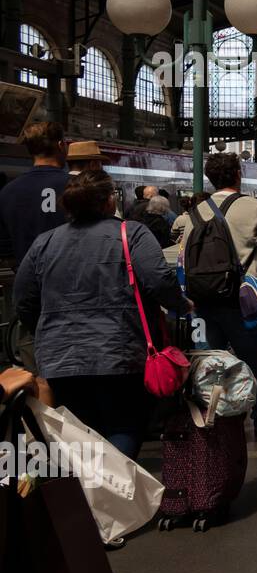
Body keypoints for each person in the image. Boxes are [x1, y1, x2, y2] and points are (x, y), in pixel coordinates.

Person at [15, 170, 187, 465]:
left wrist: (47, 330)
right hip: (119, 352)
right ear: (109, 201)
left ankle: (88, 497)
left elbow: (24, 299)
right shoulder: (131, 233)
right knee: (124, 426)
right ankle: (110, 498)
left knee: (80, 431)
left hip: (60, 358)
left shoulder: (44, 242)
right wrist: (181, 304)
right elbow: (158, 281)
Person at [175, 152, 257, 440]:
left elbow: (184, 258)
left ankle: (211, 418)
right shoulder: (253, 207)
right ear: (238, 174)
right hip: (242, 301)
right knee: (253, 361)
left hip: (204, 300)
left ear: (211, 179)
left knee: (210, 362)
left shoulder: (196, 212)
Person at [0, 121, 70, 267]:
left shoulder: (7, 192)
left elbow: (5, 247)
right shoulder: (77, 187)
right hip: (72, 281)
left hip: (26, 281)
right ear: (60, 145)